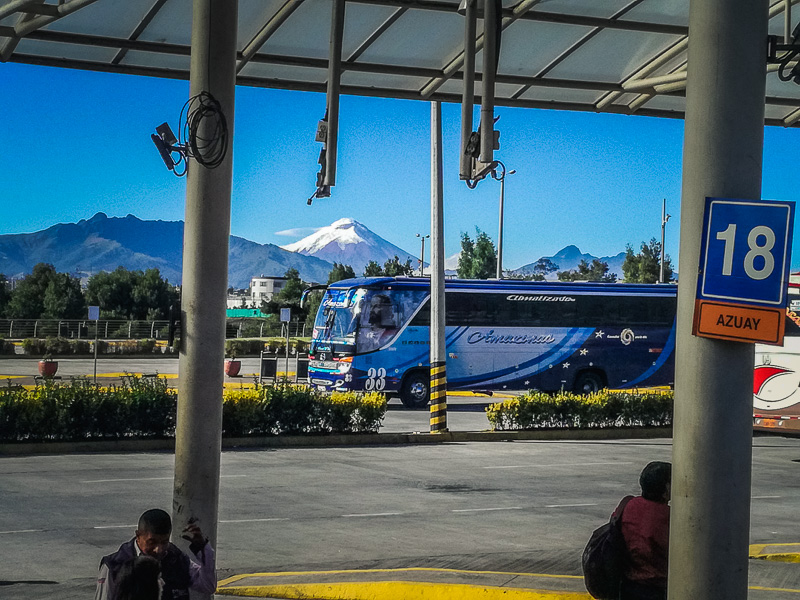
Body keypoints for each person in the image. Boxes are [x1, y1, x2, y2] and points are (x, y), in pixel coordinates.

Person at [95, 509, 216, 600]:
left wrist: (203, 549)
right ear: (138, 536)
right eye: (151, 542)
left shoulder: (176, 559)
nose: (158, 549)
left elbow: (208, 586)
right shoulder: (114, 566)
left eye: (164, 542)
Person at [614, 461, 671, 600]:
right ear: (666, 488)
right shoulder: (667, 516)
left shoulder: (628, 504)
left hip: (628, 585)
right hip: (657, 588)